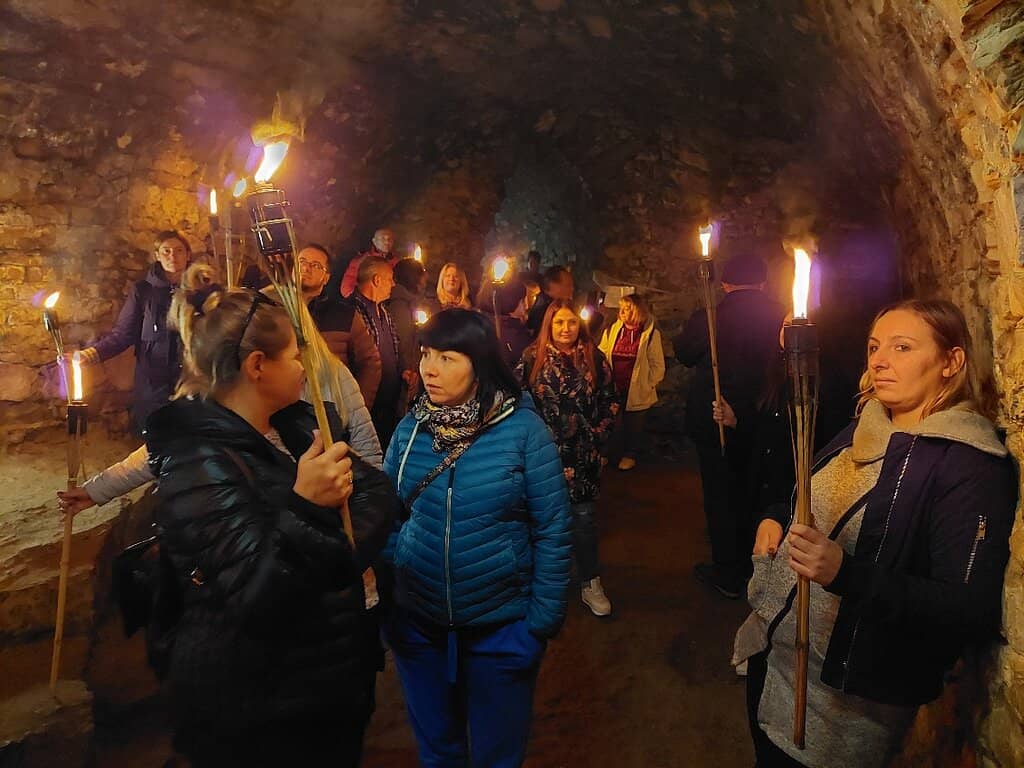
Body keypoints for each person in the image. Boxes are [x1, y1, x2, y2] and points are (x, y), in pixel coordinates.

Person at [734, 299, 1016, 768]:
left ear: (951, 362)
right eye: (874, 346)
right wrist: (775, 516)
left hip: (845, 700)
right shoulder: (867, 423)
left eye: (902, 347)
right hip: (777, 659)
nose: (879, 360)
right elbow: (809, 490)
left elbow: (965, 609)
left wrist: (846, 573)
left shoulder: (967, 465)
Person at [142, 270, 400, 767]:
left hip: (319, 684)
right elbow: (255, 598)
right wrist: (306, 508)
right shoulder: (200, 464)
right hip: (263, 710)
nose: (306, 366)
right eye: (296, 355)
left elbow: (378, 494)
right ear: (258, 365)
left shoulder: (296, 424)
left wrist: (330, 546)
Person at [381, 308, 571, 767]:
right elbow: (389, 515)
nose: (430, 368)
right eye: (427, 354)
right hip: (419, 623)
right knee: (438, 749)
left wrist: (537, 626)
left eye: (447, 357)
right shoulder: (412, 429)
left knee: (496, 754)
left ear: (479, 362)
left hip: (499, 628)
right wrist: (394, 600)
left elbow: (553, 527)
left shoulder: (523, 432)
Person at [58, 263, 384, 517]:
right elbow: (162, 451)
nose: (298, 365)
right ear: (255, 360)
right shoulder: (228, 408)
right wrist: (99, 490)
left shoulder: (331, 377)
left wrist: (362, 505)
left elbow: (366, 451)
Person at [675, 254, 786, 599]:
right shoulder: (784, 315)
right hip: (766, 412)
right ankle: (762, 565)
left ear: (724, 284)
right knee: (759, 488)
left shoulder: (711, 316)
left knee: (721, 494)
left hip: (716, 415)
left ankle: (729, 571)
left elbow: (684, 353)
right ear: (764, 282)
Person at [518, 300, 619, 616]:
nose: (566, 329)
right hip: (542, 456)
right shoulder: (532, 359)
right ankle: (541, 585)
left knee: (584, 521)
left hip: (582, 456)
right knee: (539, 521)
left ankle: (590, 581)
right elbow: (514, 402)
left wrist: (598, 434)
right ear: (549, 324)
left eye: (571, 322)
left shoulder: (593, 357)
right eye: (559, 322)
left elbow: (611, 399)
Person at [78, 231, 191, 436]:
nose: (172, 256)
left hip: (191, 377)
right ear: (157, 255)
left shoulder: (200, 290)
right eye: (166, 251)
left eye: (179, 251)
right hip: (153, 380)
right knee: (155, 437)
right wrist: (91, 354)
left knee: (189, 435)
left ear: (188, 255)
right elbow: (124, 334)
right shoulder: (143, 291)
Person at [299, 244, 383, 409]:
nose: (306, 268)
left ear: (326, 277)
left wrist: (357, 407)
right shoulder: (277, 310)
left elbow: (370, 361)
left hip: (330, 409)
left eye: (315, 265)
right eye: (301, 261)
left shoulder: (343, 314)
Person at [598, 293, 665, 471]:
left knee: (634, 425)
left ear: (637, 311)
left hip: (636, 387)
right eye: (621, 308)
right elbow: (602, 353)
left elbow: (658, 364)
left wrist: (648, 384)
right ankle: (606, 453)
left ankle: (630, 454)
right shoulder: (613, 330)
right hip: (614, 386)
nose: (622, 312)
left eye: (627, 309)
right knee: (610, 422)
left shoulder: (650, 335)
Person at [351, 257, 407, 450]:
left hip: (388, 405)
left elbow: (395, 345)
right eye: (390, 278)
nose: (393, 284)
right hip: (366, 406)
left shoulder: (384, 311)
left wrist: (403, 371)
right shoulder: (351, 312)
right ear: (376, 280)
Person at [390, 257, 428, 402]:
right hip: (404, 375)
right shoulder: (400, 305)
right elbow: (403, 340)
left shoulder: (409, 302)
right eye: (422, 272)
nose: (426, 277)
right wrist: (407, 368)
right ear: (414, 277)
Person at [477, 277, 533, 368]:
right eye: (522, 301)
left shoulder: (481, 323)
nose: (526, 306)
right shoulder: (513, 335)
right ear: (511, 302)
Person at [341, 228, 397, 298]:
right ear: (374, 241)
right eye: (383, 239)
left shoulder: (396, 262)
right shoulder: (361, 260)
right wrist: (359, 300)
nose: (386, 242)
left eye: (390, 239)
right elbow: (348, 284)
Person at [526, 265, 574, 337]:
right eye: (568, 285)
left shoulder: (544, 304)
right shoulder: (544, 310)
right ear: (553, 285)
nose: (572, 289)